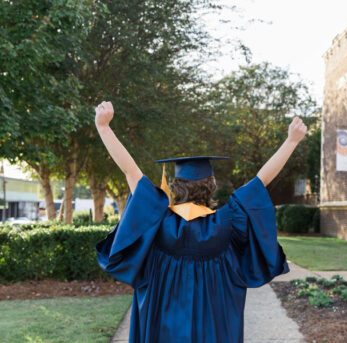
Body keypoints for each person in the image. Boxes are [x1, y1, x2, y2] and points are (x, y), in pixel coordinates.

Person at [94, 100, 308, 343]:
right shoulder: (228, 223)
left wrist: (104, 128)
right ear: (211, 187)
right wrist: (291, 141)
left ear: (175, 187)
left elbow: (131, 172)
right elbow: (261, 181)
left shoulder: (158, 223)